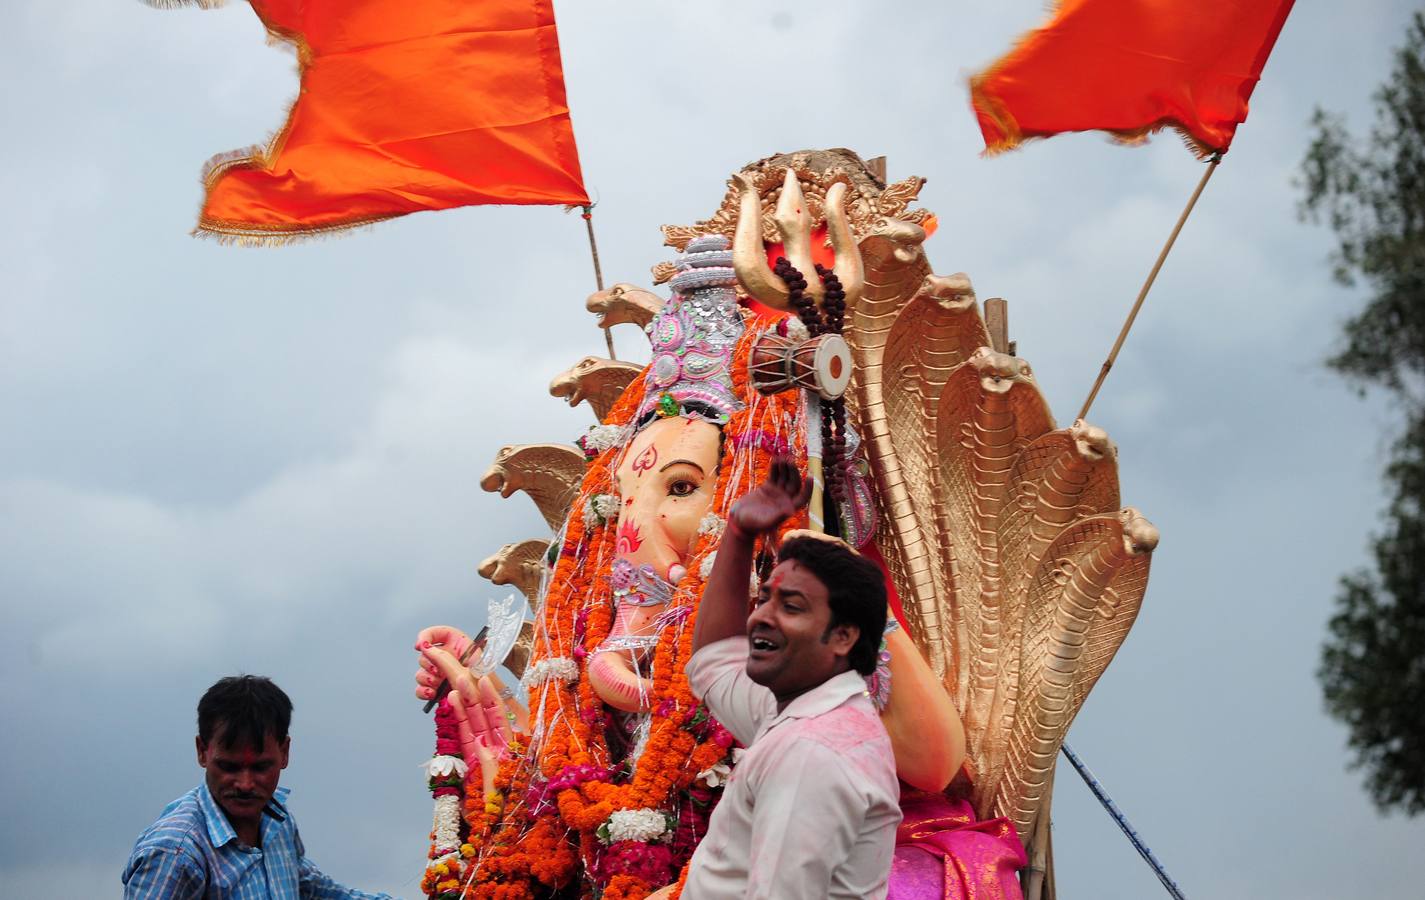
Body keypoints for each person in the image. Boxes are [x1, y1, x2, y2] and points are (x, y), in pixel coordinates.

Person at [680, 457, 902, 900]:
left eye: (792, 606)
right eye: (765, 598)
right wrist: (740, 535)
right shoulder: (796, 711)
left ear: (842, 636)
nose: (761, 617)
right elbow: (712, 663)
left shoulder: (812, 751)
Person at [122, 675, 395, 900]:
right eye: (229, 767)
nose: (245, 784)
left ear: (285, 753)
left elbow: (310, 888)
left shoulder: (277, 820)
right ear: (202, 752)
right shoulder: (177, 853)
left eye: (261, 767)